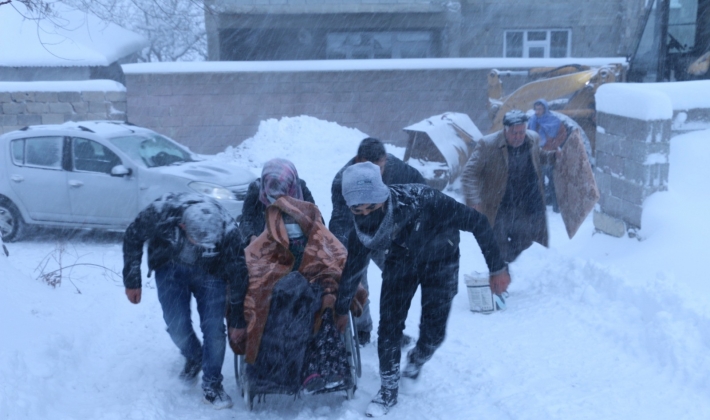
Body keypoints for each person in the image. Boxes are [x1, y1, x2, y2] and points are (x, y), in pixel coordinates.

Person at [333, 162, 510, 417]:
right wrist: (341, 309)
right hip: (401, 260)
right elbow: (352, 270)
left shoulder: (425, 200)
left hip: (441, 259)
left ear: (382, 198)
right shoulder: (361, 231)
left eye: (371, 207)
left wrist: (497, 267)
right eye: (357, 210)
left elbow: (479, 223)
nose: (366, 215)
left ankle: (416, 361)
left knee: (434, 333)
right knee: (389, 327)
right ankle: (389, 389)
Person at [227, 160, 357, 394]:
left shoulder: (302, 190)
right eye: (273, 191)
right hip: (266, 250)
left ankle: (317, 369)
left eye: (283, 191)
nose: (278, 197)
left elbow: (316, 223)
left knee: (320, 299)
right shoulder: (255, 192)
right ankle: (278, 372)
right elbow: (246, 220)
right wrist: (255, 237)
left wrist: (305, 238)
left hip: (301, 256)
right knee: (265, 302)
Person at [122, 192, 247, 409]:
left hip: (212, 273)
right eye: (200, 242)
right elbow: (133, 236)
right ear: (182, 226)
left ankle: (212, 386)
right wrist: (133, 279)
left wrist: (237, 320)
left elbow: (238, 274)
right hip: (170, 268)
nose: (204, 247)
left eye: (210, 244)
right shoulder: (162, 213)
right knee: (176, 324)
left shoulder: (227, 229)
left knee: (214, 329)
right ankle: (194, 357)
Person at [329, 137, 426, 345]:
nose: (376, 174)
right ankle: (363, 330)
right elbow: (340, 220)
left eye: (380, 168)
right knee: (357, 285)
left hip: (389, 236)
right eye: (371, 168)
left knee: (398, 281)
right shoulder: (342, 181)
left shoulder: (398, 169)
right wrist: (341, 253)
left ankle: (393, 331)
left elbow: (424, 192)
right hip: (358, 237)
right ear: (358, 161)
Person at [461, 109, 557, 264]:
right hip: (498, 207)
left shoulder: (531, 138)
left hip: (524, 206)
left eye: (521, 132)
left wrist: (553, 157)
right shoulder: (488, 144)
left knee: (526, 245)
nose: (518, 136)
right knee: (499, 248)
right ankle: (501, 276)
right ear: (505, 130)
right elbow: (469, 173)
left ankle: (514, 274)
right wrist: (473, 200)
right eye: (514, 133)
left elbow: (538, 156)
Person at [239, 158, 316, 244]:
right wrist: (251, 237)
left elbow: (317, 221)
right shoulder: (256, 190)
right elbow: (246, 219)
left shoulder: (300, 189)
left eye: (282, 193)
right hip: (262, 246)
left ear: (290, 186)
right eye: (271, 194)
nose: (276, 198)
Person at [528, 99, 568, 212]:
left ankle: (556, 206)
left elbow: (562, 133)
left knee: (553, 181)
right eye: (536, 109)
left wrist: (554, 143)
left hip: (550, 154)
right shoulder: (532, 120)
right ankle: (540, 206)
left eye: (540, 109)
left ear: (545, 109)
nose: (537, 111)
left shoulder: (553, 120)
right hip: (537, 154)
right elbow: (528, 134)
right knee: (537, 182)